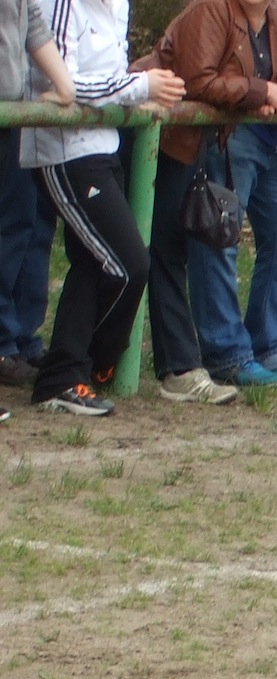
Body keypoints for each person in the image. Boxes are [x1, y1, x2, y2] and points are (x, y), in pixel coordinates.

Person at [21, 0, 184, 414]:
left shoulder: (118, 4)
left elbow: (108, 76)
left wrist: (132, 96)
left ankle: (64, 378)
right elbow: (61, 82)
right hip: (64, 150)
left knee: (93, 264)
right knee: (129, 264)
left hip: (103, 144)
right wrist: (139, 87)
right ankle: (95, 363)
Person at [141, 0, 277, 404]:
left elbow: (273, 75)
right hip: (162, 134)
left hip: (205, 140)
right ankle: (178, 368)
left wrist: (260, 98)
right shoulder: (210, 9)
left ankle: (171, 364)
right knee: (162, 250)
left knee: (168, 248)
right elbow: (197, 81)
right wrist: (260, 92)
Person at [1, 0, 75, 392]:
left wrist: (64, 85)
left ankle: (17, 337)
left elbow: (31, 19)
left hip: (15, 109)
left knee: (21, 224)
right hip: (10, 105)